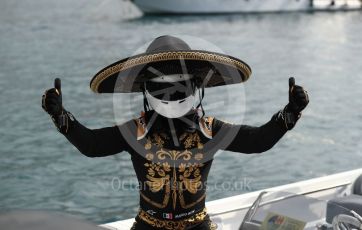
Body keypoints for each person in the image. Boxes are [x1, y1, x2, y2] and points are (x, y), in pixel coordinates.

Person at [42, 35, 309, 230]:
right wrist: (61, 116)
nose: (171, 96)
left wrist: (290, 113)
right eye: (161, 88)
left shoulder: (210, 129)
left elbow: (257, 141)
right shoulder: (135, 130)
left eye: (179, 86)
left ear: (196, 87)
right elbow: (92, 145)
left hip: (197, 225)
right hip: (148, 225)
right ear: (146, 91)